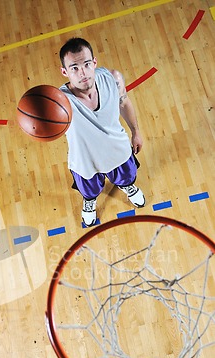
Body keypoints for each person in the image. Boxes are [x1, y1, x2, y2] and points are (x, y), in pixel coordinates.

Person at [59, 37, 145, 226]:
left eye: (87, 64)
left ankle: (127, 187)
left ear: (94, 62)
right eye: (74, 68)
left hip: (117, 150)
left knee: (127, 177)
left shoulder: (113, 78)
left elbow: (124, 102)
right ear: (65, 72)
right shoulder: (58, 102)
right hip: (85, 160)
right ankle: (89, 202)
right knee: (89, 191)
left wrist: (136, 131)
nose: (83, 72)